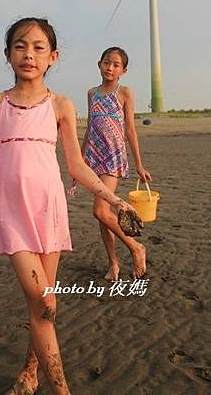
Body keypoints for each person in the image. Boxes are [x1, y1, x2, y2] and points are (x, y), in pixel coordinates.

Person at [0, 18, 142, 395]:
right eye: (20, 46)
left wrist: (116, 200)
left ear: (53, 56)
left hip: (50, 213)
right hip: (13, 216)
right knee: (45, 301)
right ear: (7, 55)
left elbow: (77, 166)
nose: (28, 54)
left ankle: (29, 374)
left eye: (38, 47)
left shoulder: (61, 105)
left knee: (41, 309)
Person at [81, 46, 152, 282]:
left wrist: (140, 166)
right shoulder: (92, 93)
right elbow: (90, 126)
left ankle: (135, 247)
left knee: (100, 209)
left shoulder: (125, 93)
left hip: (113, 155)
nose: (110, 68)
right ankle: (113, 263)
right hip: (94, 156)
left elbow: (130, 130)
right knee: (104, 214)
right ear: (99, 64)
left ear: (123, 70)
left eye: (115, 65)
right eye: (106, 63)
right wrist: (80, 159)